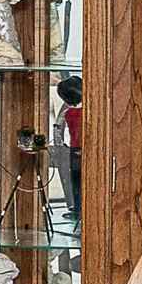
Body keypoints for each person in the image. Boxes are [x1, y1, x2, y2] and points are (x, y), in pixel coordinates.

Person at [54, 74, 83, 232]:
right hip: (84, 150)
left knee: (76, 181)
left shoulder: (68, 114)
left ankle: (78, 208)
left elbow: (64, 135)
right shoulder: (86, 112)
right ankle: (81, 209)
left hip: (74, 150)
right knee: (83, 181)